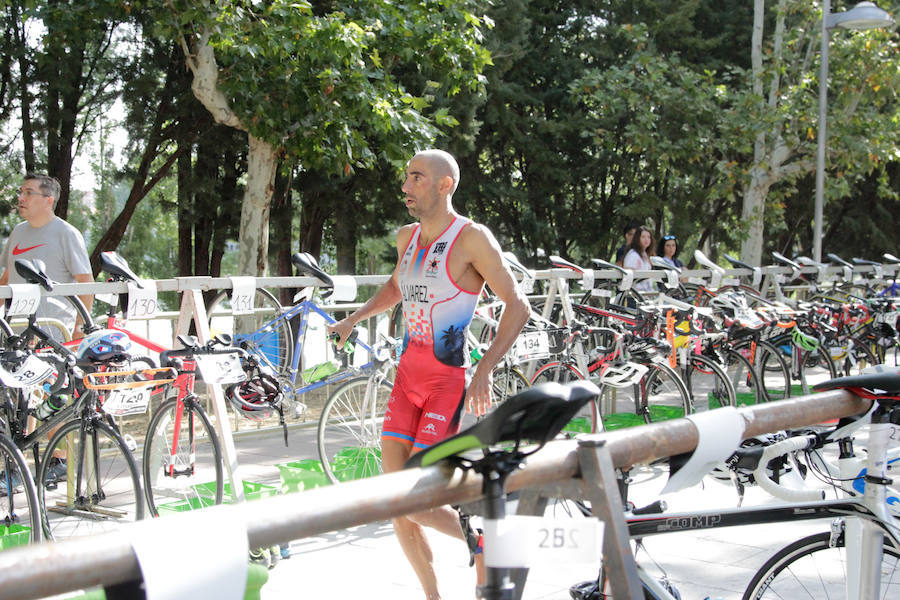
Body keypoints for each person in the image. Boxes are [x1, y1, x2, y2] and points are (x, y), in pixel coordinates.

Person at [328, 149, 530, 599]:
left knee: (414, 503)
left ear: (444, 185)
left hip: (444, 385)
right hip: (405, 382)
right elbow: (396, 288)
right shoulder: (407, 238)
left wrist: (484, 368)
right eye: (405, 178)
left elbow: (519, 306)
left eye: (416, 178)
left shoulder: (472, 239)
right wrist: (353, 319)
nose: (405, 187)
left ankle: (488, 542)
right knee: (396, 504)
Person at [0, 173, 93, 339]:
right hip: (14, 334)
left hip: (54, 335)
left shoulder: (67, 233)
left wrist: (80, 330)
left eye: (28, 193)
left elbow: (86, 283)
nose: (21, 198)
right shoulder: (18, 232)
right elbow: (6, 280)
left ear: (48, 200)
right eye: (20, 192)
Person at [622, 225, 654, 292]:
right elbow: (628, 276)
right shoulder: (633, 254)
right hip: (636, 294)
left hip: (647, 293)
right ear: (637, 238)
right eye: (643, 237)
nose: (646, 239)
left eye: (648, 237)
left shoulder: (644, 254)